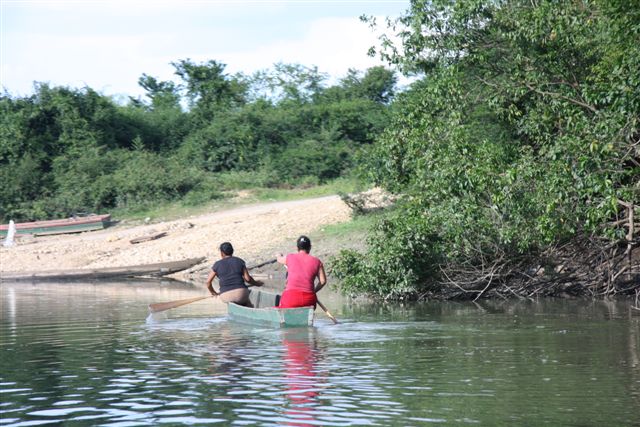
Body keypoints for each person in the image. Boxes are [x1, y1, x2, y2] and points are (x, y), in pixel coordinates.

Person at [276, 235, 327, 308]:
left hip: (291, 299)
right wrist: (314, 292)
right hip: (309, 299)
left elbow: (279, 259)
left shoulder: (289, 257)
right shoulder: (317, 262)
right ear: (310, 247)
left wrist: (278, 255)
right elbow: (323, 281)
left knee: (281, 304)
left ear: (297, 248)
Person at [206, 242, 262, 307]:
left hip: (226, 295)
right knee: (248, 303)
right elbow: (248, 279)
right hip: (241, 294)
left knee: (233, 302)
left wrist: (213, 292)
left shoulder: (217, 264)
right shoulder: (239, 261)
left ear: (222, 253)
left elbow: (208, 282)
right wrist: (257, 283)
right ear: (232, 251)